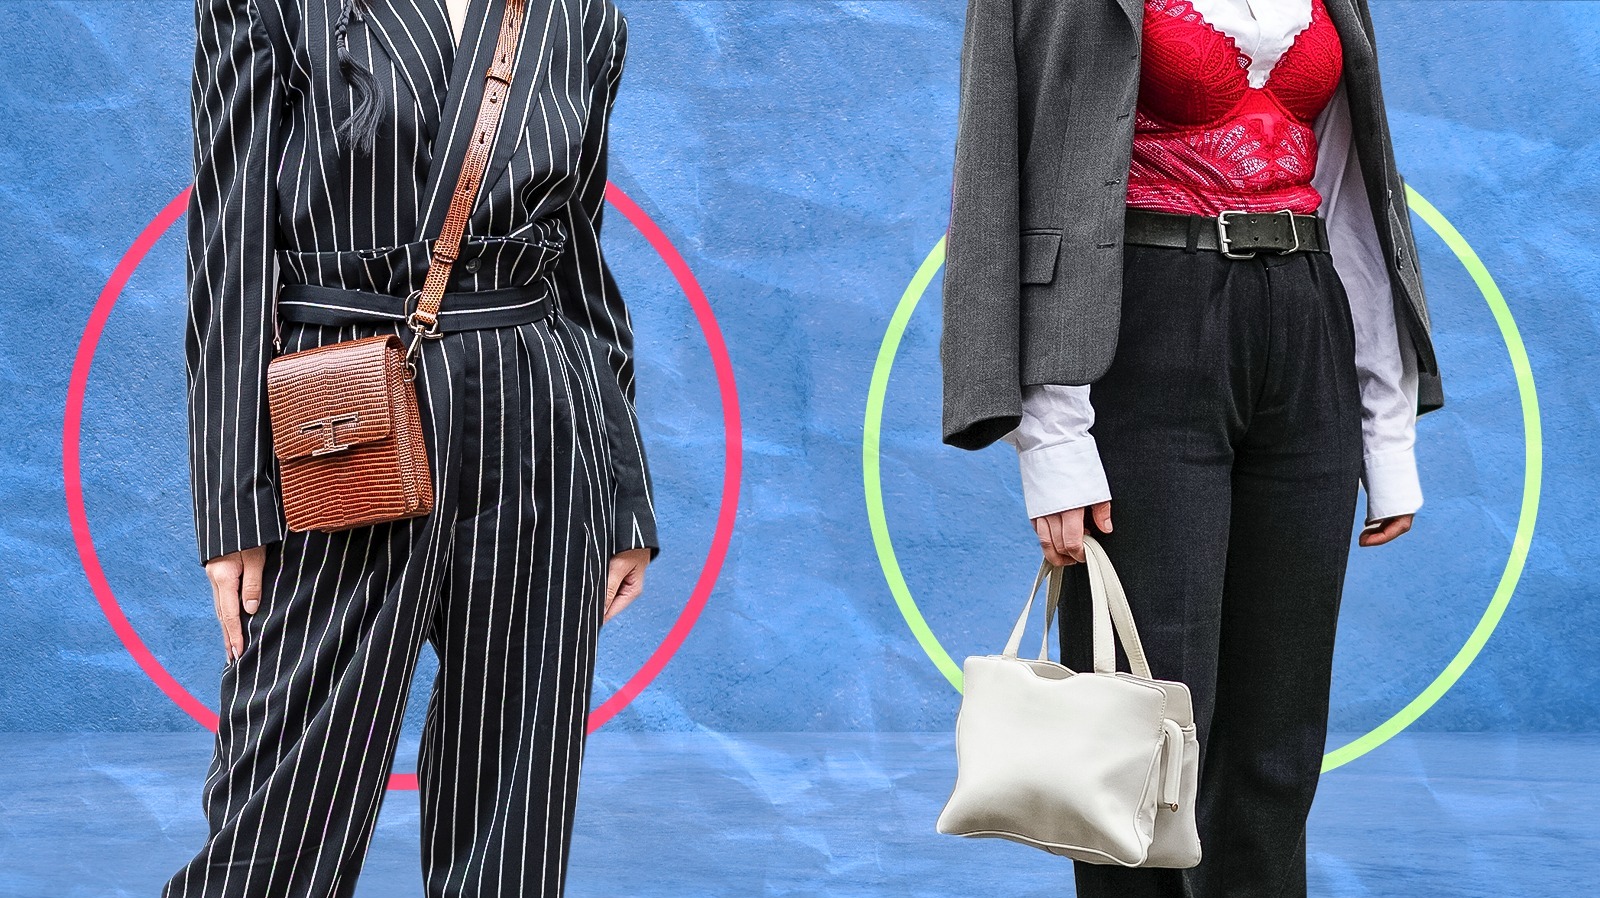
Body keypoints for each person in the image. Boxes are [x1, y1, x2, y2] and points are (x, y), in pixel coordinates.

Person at [941, 0, 1443, 895]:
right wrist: (1050, 433)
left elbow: (1353, 193)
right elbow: (998, 169)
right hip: (1142, 327)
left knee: (1276, 743)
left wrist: (1385, 420)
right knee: (1138, 736)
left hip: (1304, 321)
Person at [163, 0, 659, 895]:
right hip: (344, 409)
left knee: (513, 815)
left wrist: (625, 489)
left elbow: (579, 260)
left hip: (539, 419)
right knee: (279, 813)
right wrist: (234, 498)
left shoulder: (583, 15)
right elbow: (229, 251)